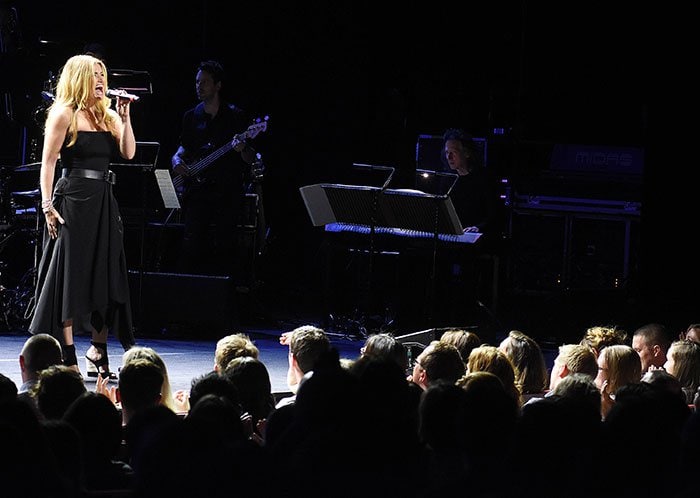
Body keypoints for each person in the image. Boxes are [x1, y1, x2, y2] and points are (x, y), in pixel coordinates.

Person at [28, 53, 136, 380]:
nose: (101, 80)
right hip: (72, 199)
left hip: (103, 200)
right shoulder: (64, 114)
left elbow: (128, 152)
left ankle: (98, 349)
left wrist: (125, 117)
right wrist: (47, 205)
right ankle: (69, 352)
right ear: (79, 78)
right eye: (95, 74)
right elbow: (48, 162)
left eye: (103, 73)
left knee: (104, 274)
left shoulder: (108, 116)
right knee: (71, 278)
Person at [171, 60, 258, 281]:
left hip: (226, 194)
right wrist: (176, 160)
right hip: (197, 193)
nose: (199, 86)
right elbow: (183, 147)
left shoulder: (235, 116)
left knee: (225, 247)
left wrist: (243, 148)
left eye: (205, 82)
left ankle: (223, 301)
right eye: (197, 82)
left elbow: (249, 158)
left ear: (218, 85)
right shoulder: (190, 116)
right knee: (191, 244)